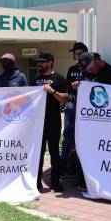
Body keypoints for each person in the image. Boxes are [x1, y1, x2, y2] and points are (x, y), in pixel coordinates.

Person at [73, 52, 111, 190]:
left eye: (91, 68)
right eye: (87, 70)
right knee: (85, 149)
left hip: (105, 121)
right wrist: (79, 85)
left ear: (97, 60)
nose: (90, 71)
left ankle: (101, 181)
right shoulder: (86, 73)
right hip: (88, 120)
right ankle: (84, 180)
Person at [33, 52, 68, 192]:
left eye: (42, 62)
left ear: (50, 62)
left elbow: (65, 98)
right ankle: (37, 181)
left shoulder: (58, 78)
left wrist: (52, 91)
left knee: (54, 153)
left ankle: (55, 181)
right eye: (38, 62)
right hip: (38, 122)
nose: (39, 64)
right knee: (39, 153)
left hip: (53, 120)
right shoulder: (36, 78)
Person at [61, 42, 88, 177]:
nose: (77, 56)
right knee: (67, 137)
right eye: (75, 54)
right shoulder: (72, 69)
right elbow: (67, 87)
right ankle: (63, 167)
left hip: (86, 106)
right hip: (72, 103)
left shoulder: (90, 68)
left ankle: (79, 170)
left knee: (83, 138)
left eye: (80, 53)